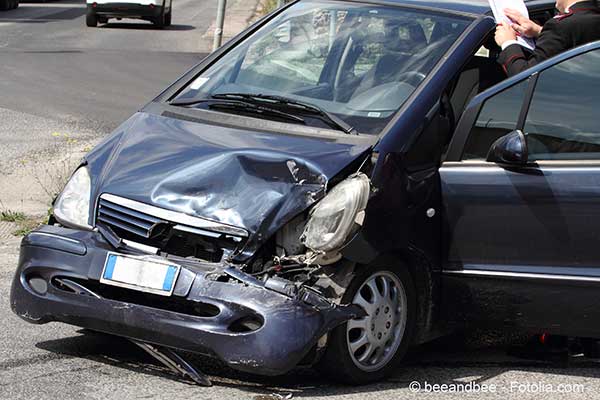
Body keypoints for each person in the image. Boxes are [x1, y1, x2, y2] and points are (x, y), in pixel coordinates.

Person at [495, 0, 600, 76]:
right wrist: (539, 31)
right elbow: (579, 36)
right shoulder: (591, 18)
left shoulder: (561, 26)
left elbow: (525, 77)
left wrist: (508, 42)